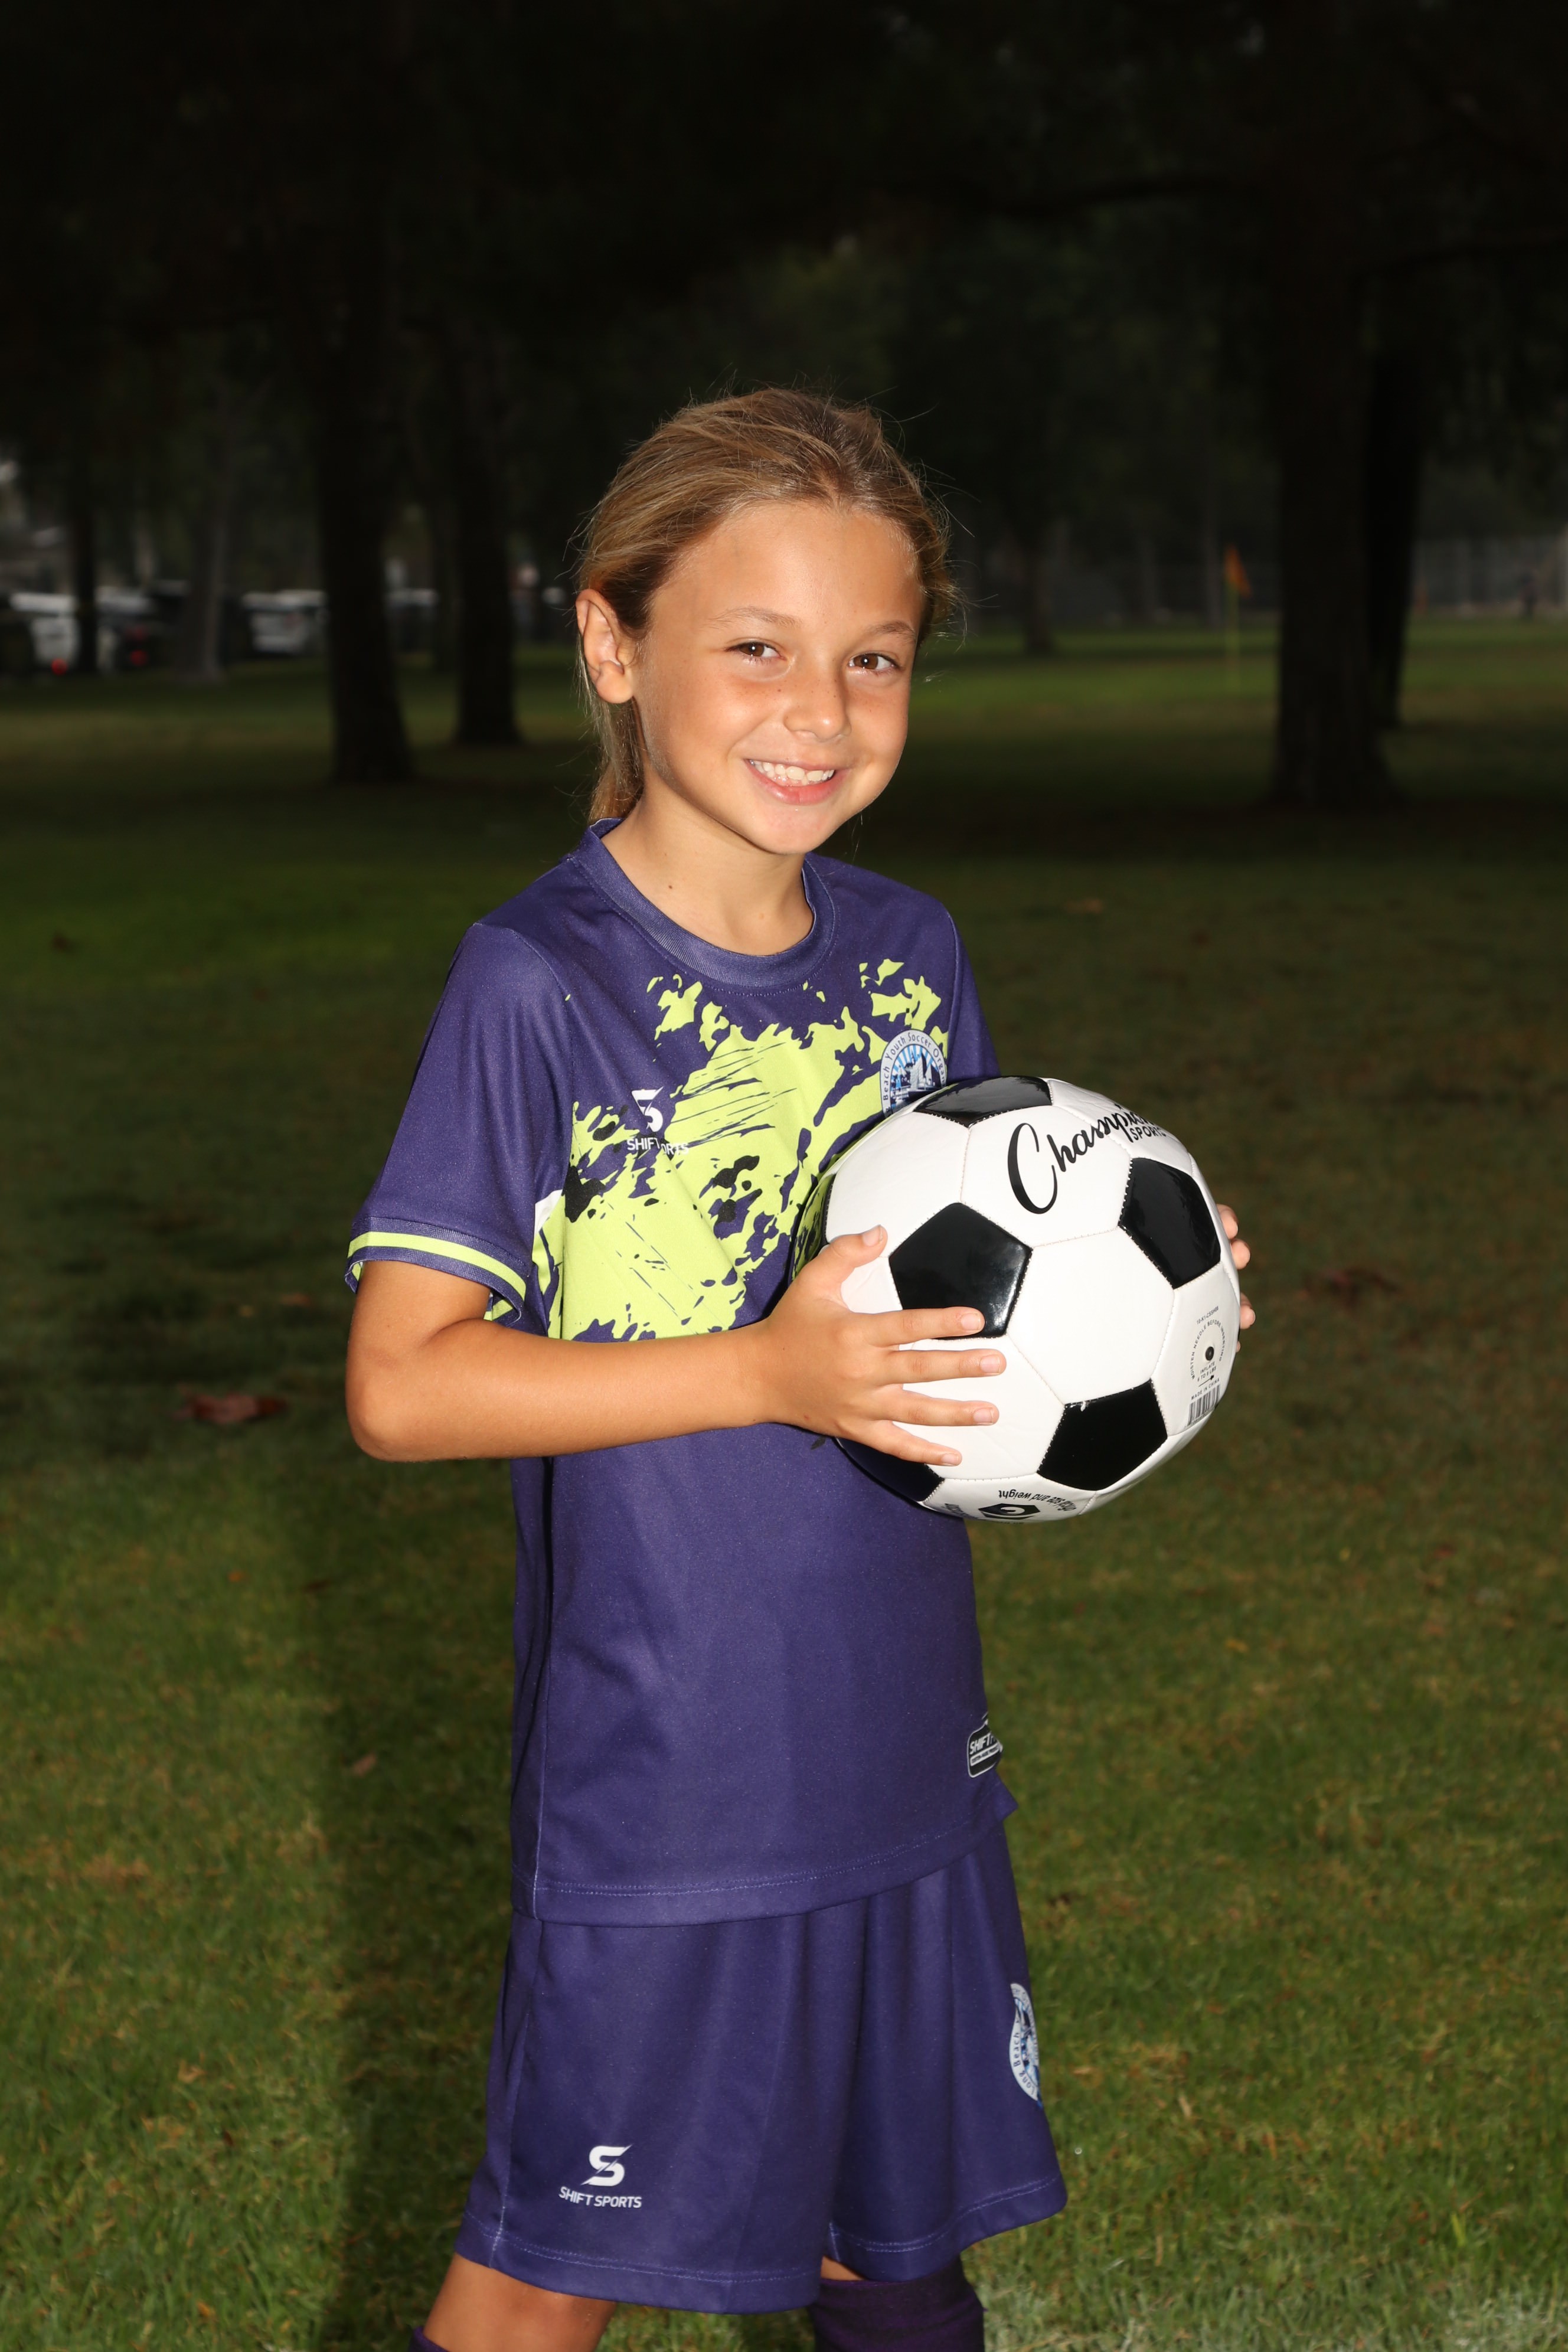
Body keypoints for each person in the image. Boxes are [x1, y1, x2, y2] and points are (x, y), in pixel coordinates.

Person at [344, 389, 1252, 2352]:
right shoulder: (539, 982)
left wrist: (1150, 1309)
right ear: (613, 644)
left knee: (892, 2244)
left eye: (874, 658)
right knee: (553, 2270)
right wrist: (765, 1371)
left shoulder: (915, 950)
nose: (818, 713)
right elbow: (404, 1386)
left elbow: (973, 1300)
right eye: (754, 647)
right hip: (674, 1782)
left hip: (908, 1744)